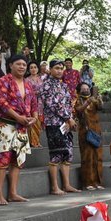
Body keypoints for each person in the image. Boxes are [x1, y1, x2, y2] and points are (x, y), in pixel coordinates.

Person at [0, 55, 38, 205]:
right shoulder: (3, 80)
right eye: (18, 64)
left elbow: (34, 104)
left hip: (23, 126)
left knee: (18, 160)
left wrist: (34, 118)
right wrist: (18, 117)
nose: (22, 67)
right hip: (5, 124)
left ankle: (13, 193)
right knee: (3, 158)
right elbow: (0, 102)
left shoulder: (28, 84)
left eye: (24, 64)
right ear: (11, 65)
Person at [40, 59, 81, 195]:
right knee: (56, 154)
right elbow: (52, 104)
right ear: (50, 69)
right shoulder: (46, 85)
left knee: (67, 154)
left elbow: (69, 104)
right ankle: (54, 187)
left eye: (61, 68)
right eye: (56, 68)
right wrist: (68, 118)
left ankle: (67, 185)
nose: (59, 71)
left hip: (66, 124)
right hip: (53, 123)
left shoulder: (63, 86)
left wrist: (70, 119)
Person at [75, 82, 104, 190]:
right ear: (79, 90)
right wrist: (87, 102)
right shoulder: (78, 99)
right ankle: (88, 182)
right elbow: (78, 111)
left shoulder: (93, 99)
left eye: (87, 88)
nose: (86, 90)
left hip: (96, 130)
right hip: (85, 131)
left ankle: (98, 182)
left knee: (98, 156)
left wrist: (99, 99)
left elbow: (100, 107)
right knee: (88, 157)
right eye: (83, 88)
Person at [25, 61, 44, 148]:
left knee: (38, 123)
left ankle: (37, 141)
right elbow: (26, 92)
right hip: (30, 102)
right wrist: (35, 93)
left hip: (40, 103)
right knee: (32, 121)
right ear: (29, 70)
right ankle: (32, 141)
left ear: (37, 68)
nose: (33, 69)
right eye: (31, 67)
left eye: (35, 67)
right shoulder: (26, 80)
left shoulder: (42, 79)